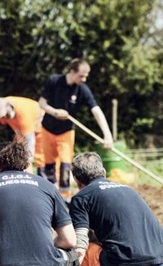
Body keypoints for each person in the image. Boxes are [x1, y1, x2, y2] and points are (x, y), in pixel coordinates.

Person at [68, 152, 163, 266]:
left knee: (71, 256)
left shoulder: (81, 198)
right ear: (103, 171)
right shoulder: (128, 189)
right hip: (160, 259)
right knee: (111, 249)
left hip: (126, 262)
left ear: (77, 180)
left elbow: (80, 242)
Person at [38, 58, 114, 199]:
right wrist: (55, 112)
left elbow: (96, 110)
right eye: (81, 75)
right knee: (48, 165)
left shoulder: (82, 90)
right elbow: (41, 103)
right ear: (72, 72)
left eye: (86, 76)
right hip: (47, 129)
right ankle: (48, 196)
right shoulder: (54, 81)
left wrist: (107, 135)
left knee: (66, 165)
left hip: (66, 132)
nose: (84, 79)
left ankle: (65, 197)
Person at [0, 96, 46, 176]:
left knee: (40, 155)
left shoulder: (23, 113)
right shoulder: (3, 106)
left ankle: (43, 178)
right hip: (21, 130)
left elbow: (29, 140)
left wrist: (26, 162)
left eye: (5, 115)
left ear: (9, 107)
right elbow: (1, 125)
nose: (5, 118)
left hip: (39, 123)